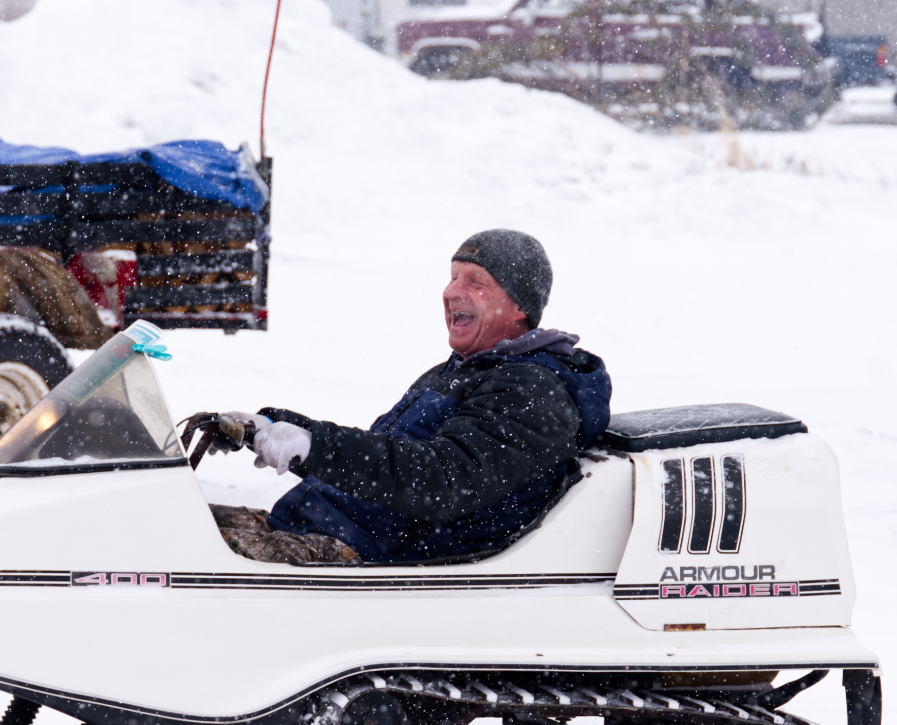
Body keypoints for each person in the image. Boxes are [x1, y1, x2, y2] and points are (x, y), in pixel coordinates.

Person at [211, 229, 610, 565]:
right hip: (320, 529)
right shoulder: (461, 370)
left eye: (475, 282)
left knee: (169, 553)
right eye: (453, 277)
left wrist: (316, 446)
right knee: (166, 518)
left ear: (521, 304)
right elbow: (385, 459)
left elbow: (443, 481)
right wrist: (283, 428)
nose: (452, 292)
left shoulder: (533, 391)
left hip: (372, 561)